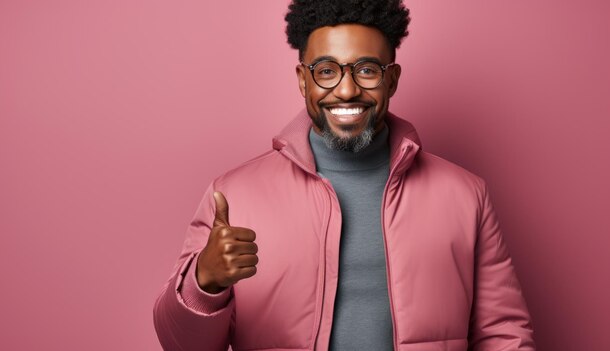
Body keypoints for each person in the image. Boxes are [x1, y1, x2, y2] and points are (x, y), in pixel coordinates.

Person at [153, 0, 536, 350]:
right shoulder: (233, 195)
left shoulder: (466, 194)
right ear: (303, 80)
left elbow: (503, 333)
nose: (347, 89)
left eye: (367, 69)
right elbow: (179, 344)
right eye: (326, 71)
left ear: (393, 79)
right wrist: (205, 282)